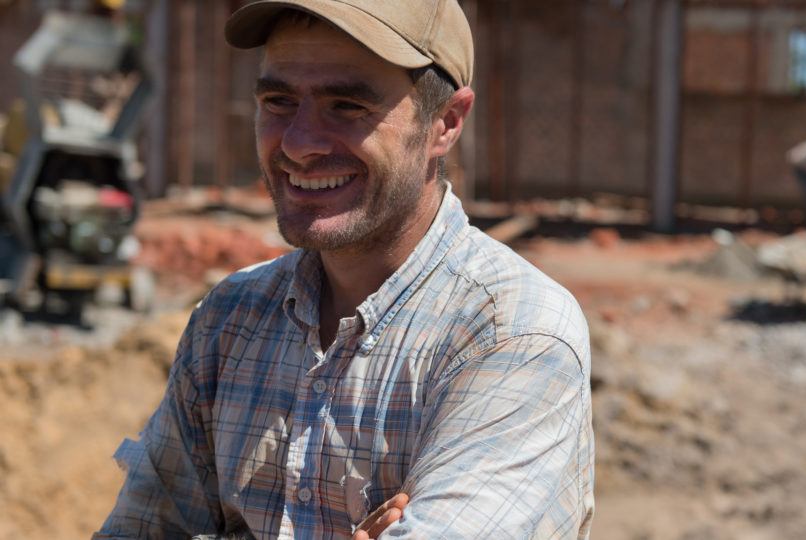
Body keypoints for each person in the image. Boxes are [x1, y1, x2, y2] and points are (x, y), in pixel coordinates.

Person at [95, 1, 594, 539]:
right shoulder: (228, 321)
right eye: (280, 101)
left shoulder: (511, 332)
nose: (298, 143)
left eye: (347, 106)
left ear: (445, 123)